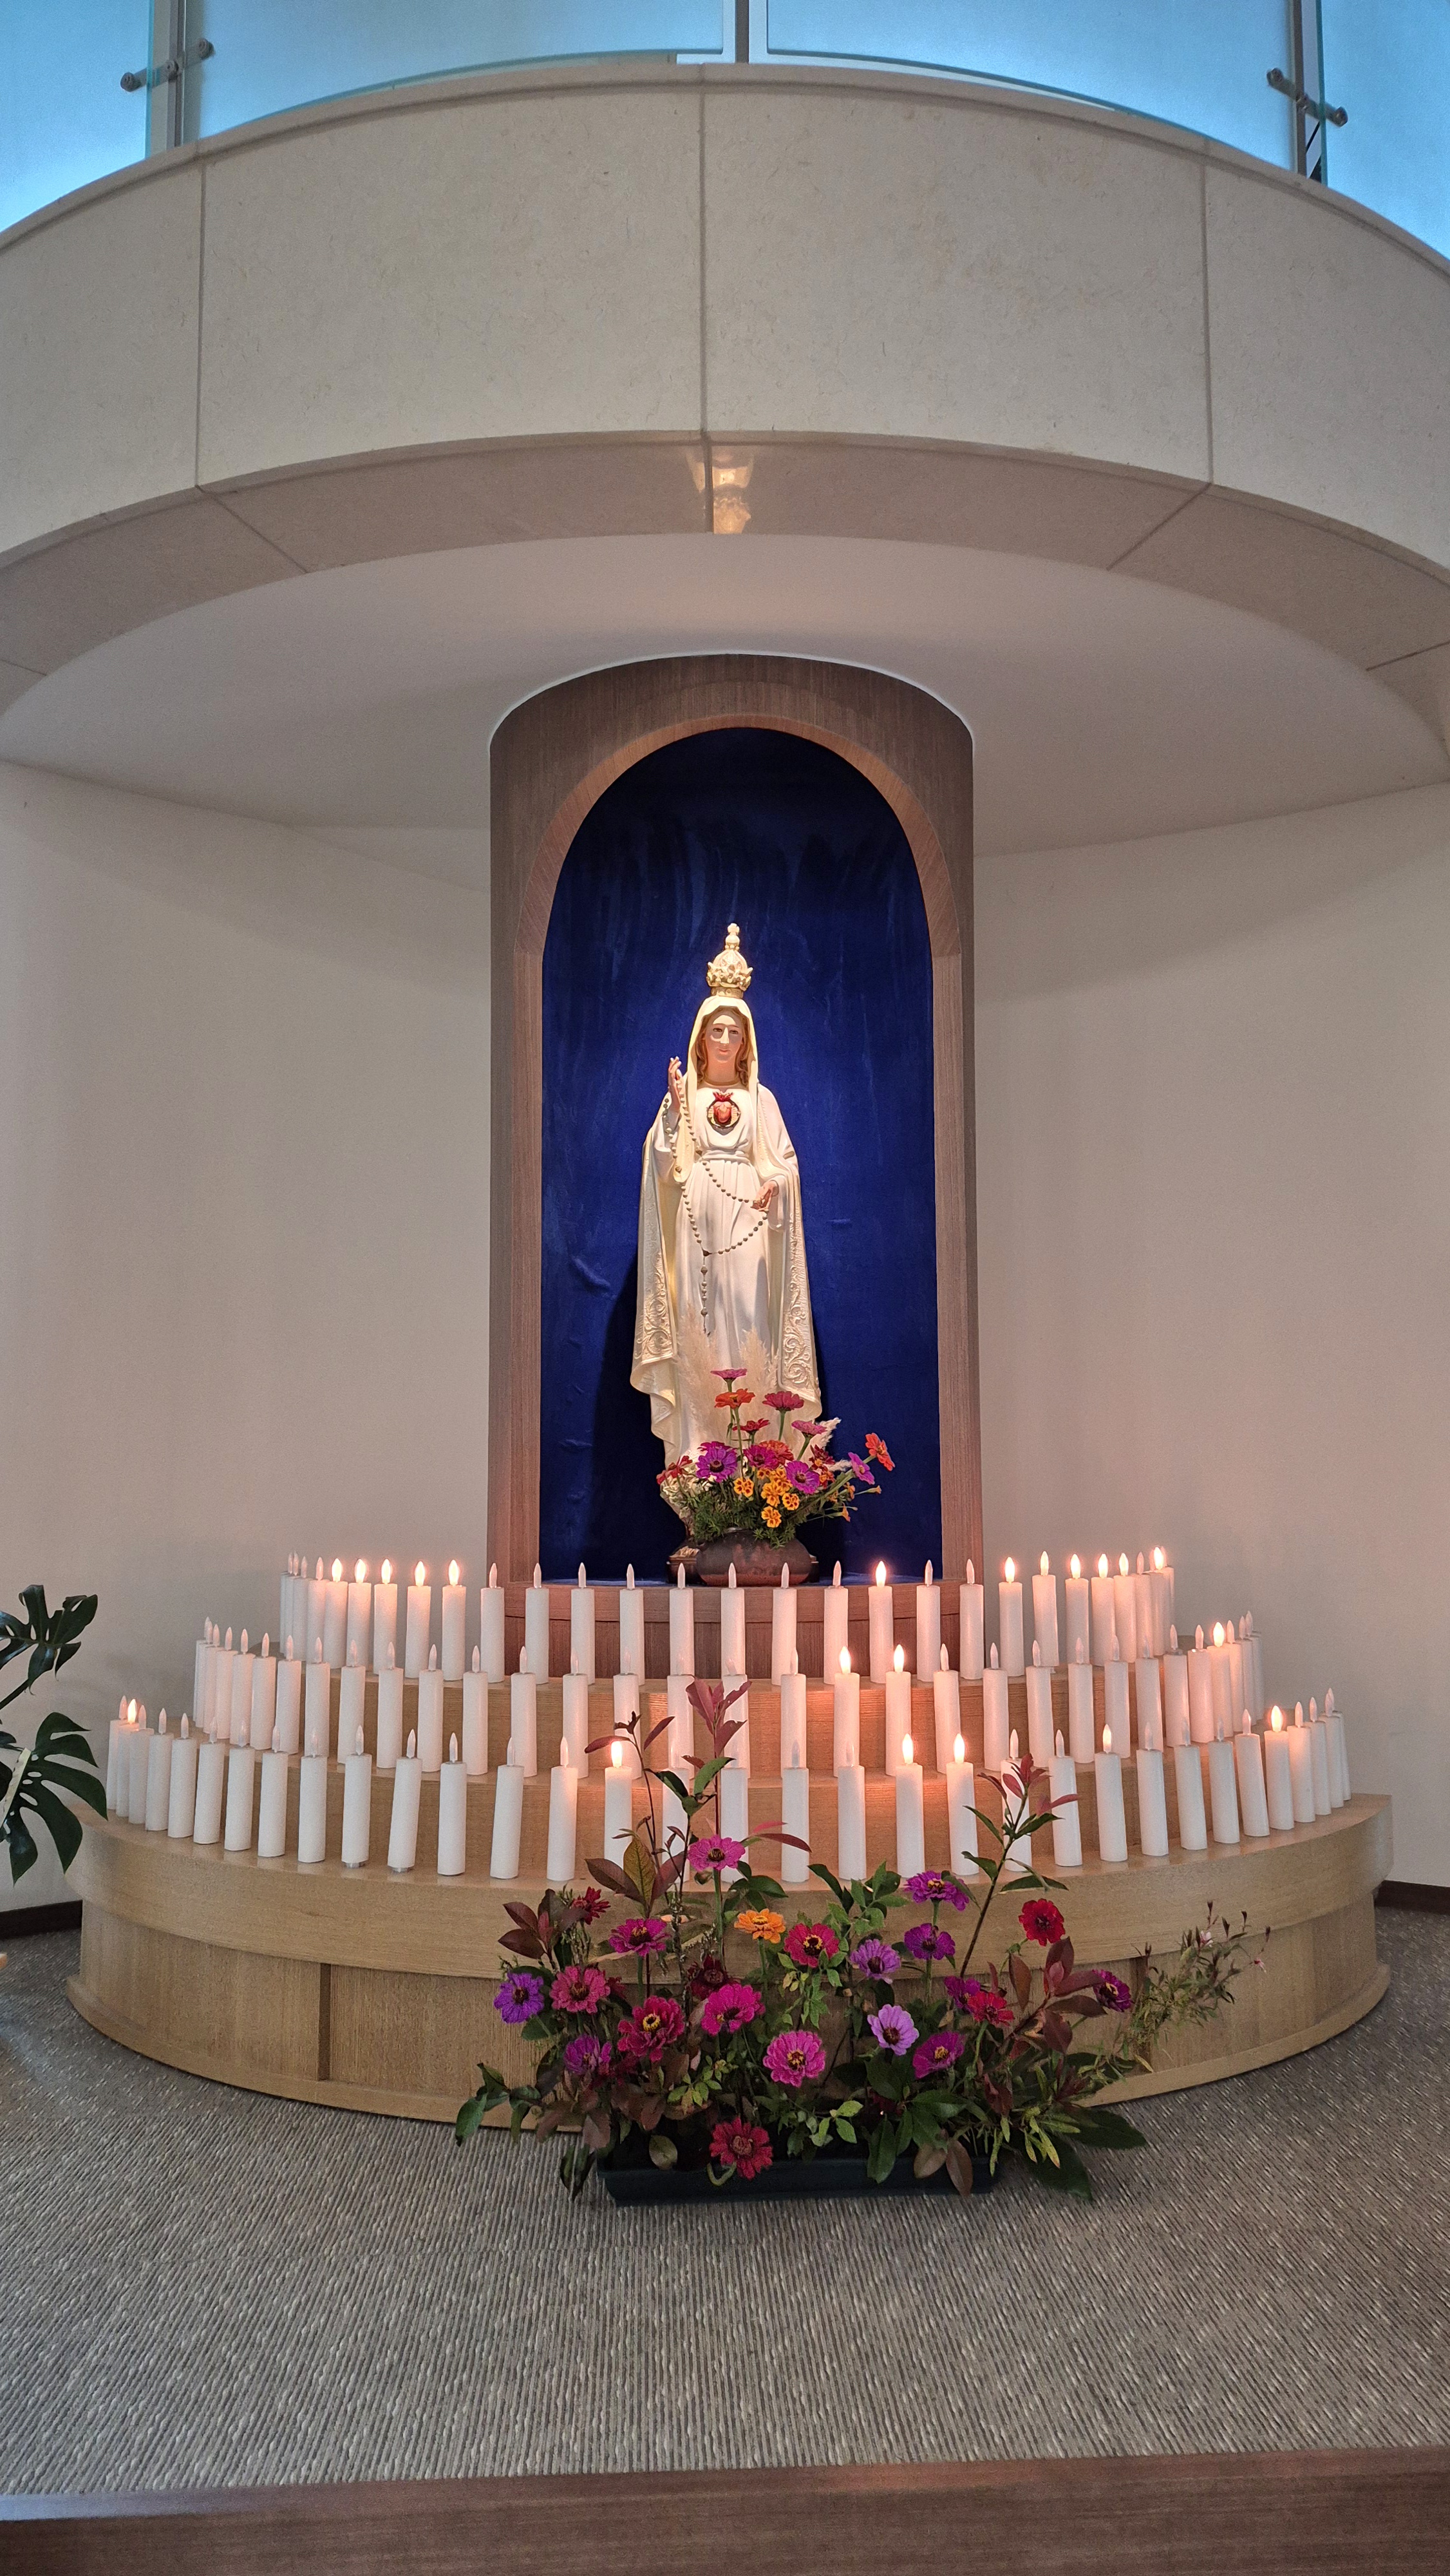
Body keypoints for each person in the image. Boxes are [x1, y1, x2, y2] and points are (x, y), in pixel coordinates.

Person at [632, 924, 820, 1463]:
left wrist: (773, 1185)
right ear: (701, 1038)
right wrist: (673, 1113)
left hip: (748, 1227)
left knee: (749, 1323)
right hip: (696, 1225)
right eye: (715, 1030)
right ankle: (700, 1457)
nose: (723, 1040)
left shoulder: (762, 1101)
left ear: (745, 1043)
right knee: (701, 1328)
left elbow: (785, 1166)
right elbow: (662, 1168)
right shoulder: (683, 1099)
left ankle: (756, 1460)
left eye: (733, 1032)